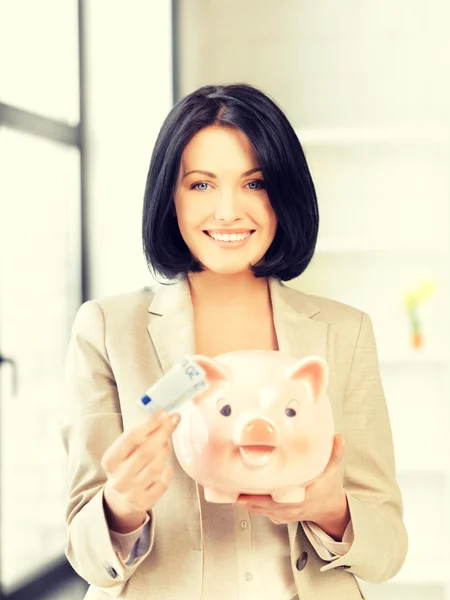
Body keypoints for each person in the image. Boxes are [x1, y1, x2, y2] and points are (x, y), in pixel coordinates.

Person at [61, 83, 408, 600]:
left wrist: (328, 509)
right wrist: (122, 505)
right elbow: (82, 549)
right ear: (169, 196)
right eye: (201, 185)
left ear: (285, 193)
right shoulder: (110, 329)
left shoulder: (344, 332)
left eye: (255, 183)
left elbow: (388, 552)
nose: (227, 212)